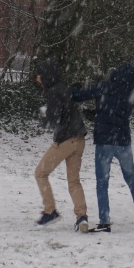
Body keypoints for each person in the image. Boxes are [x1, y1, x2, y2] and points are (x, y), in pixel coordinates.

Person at [71, 63, 134, 232]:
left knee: (102, 182)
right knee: (131, 178)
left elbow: (80, 96)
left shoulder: (104, 87)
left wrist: (73, 89)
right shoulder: (132, 96)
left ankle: (104, 221)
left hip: (104, 140)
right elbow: (119, 114)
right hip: (122, 141)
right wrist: (98, 114)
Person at [33, 59, 89, 230]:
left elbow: (54, 117)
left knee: (40, 173)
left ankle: (50, 211)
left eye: (39, 75)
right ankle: (82, 218)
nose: (37, 79)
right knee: (74, 181)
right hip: (79, 139)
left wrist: (43, 117)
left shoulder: (53, 92)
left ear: (45, 76)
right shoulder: (63, 88)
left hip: (66, 139)